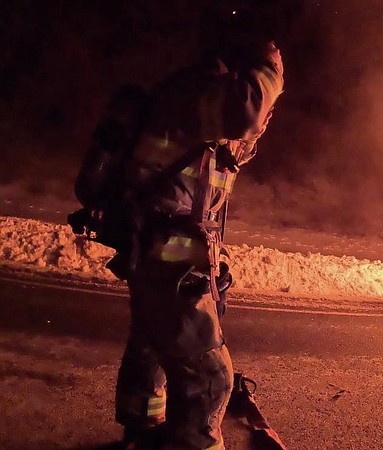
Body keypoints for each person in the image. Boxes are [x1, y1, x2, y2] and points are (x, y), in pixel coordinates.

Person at [111, 7, 284, 449]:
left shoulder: (195, 96)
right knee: (210, 377)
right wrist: (271, 65)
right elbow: (248, 110)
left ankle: (141, 430)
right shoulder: (203, 92)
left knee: (153, 342)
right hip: (168, 252)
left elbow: (222, 161)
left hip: (153, 243)